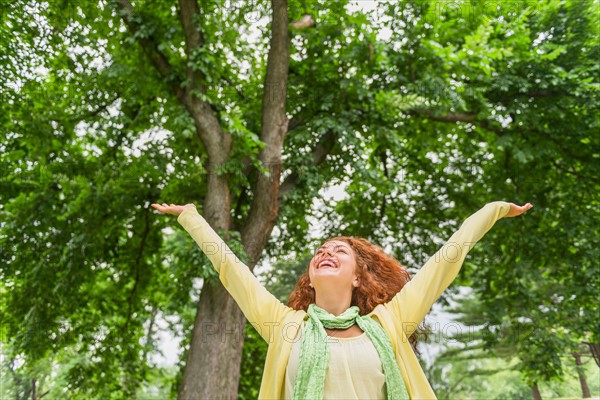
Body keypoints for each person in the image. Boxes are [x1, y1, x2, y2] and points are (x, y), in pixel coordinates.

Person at [151, 200, 533, 399]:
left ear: (356, 277)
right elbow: (232, 270)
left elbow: (446, 259)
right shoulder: (285, 326)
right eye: (320, 251)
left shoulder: (390, 321)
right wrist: (191, 218)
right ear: (311, 280)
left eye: (339, 251)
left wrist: (493, 211)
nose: (326, 253)